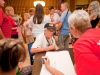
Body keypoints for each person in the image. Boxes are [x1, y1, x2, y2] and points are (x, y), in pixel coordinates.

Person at [44, 10, 100, 75]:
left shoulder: (81, 45)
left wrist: (48, 67)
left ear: (74, 29)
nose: (68, 29)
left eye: (69, 27)